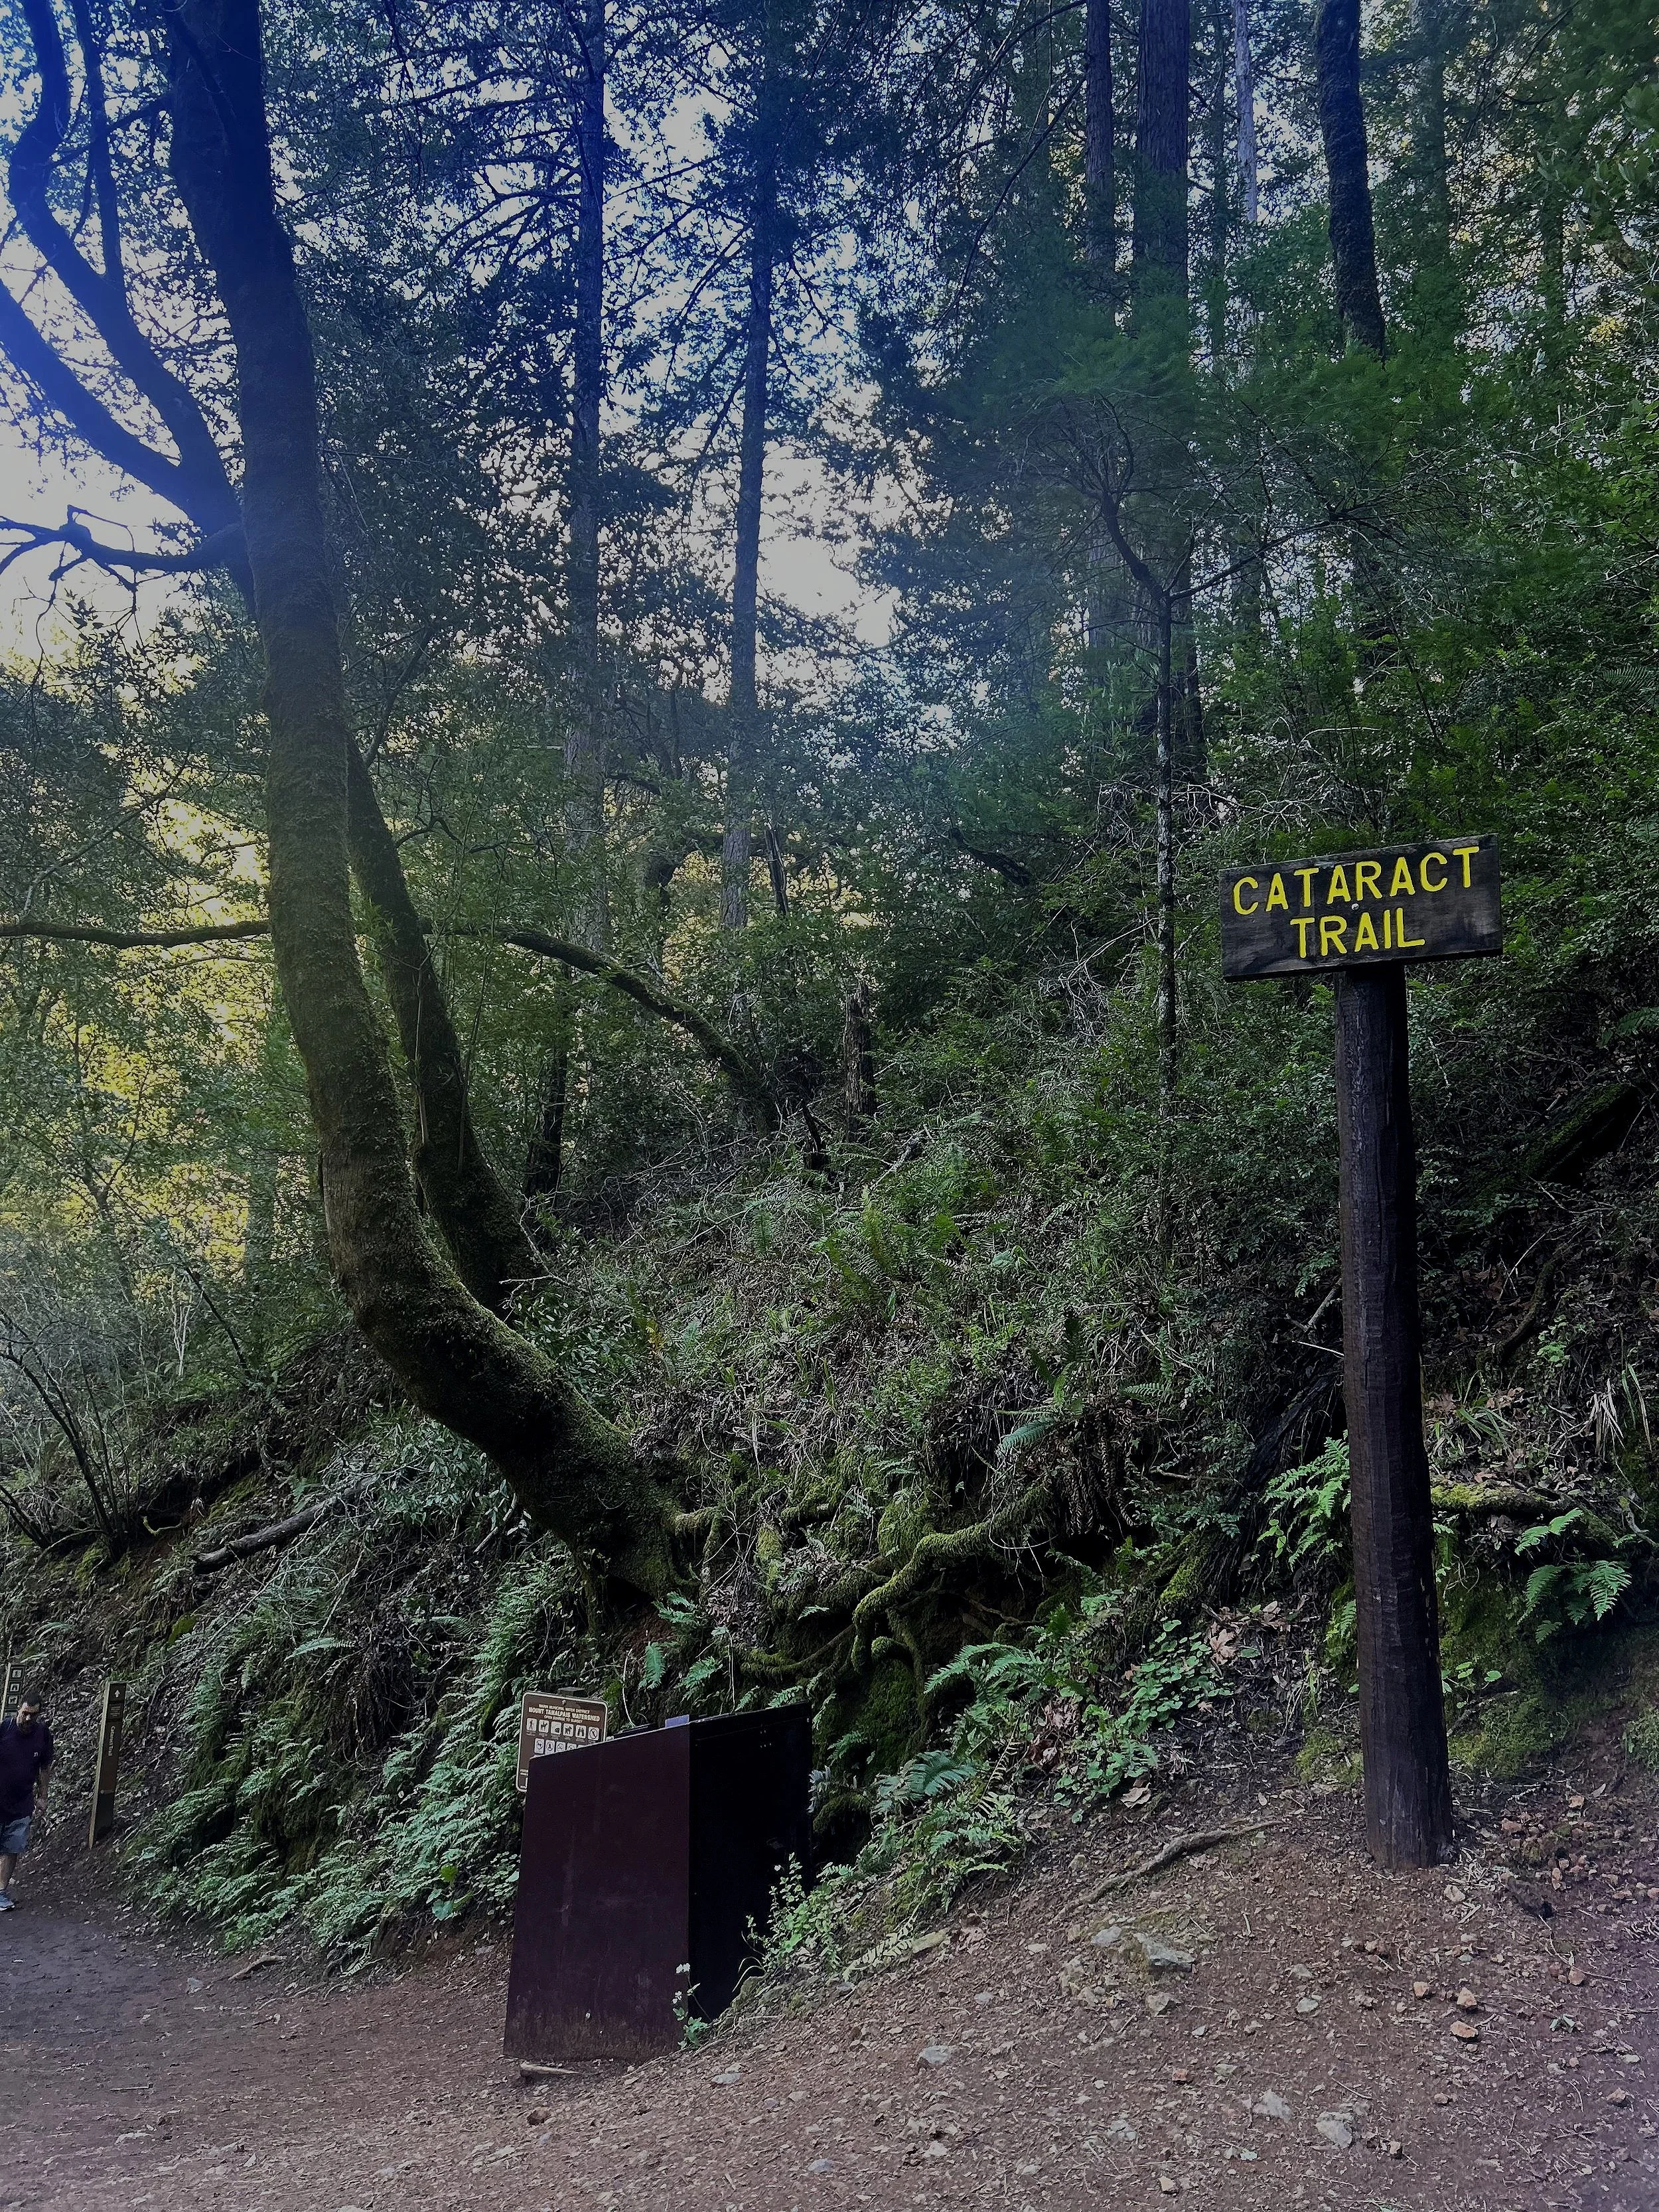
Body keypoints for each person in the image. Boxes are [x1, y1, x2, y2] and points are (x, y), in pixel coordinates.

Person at [0, 1690, 53, 1911]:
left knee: (12, 1849)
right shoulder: (5, 1729)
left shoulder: (42, 1735)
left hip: (22, 1802)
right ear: (19, 1710)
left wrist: (43, 1796)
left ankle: (1, 1892)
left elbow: (45, 1766)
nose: (28, 1719)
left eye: (34, 1715)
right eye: (25, 1713)